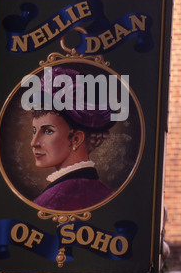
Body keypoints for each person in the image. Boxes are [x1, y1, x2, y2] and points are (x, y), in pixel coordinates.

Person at [30, 67, 116, 211]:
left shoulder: (51, 203)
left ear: (76, 139)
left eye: (48, 131)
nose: (33, 143)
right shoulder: (105, 194)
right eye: (34, 131)